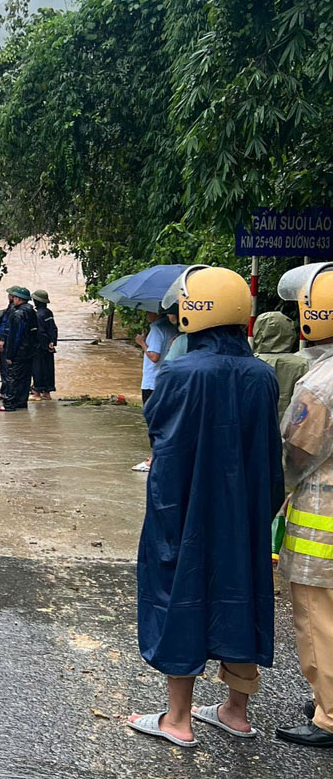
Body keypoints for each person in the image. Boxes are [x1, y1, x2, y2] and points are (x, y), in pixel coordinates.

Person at [127, 266, 283, 748]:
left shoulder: (180, 373)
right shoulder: (263, 375)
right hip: (246, 511)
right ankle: (236, 711)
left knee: (182, 593)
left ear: (193, 312)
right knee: (242, 592)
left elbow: (163, 439)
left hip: (189, 507)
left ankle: (178, 719)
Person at [274, 263, 333, 747]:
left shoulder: (319, 385)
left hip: (322, 523)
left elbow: (295, 452)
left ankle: (328, 714)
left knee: (318, 618)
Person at [132, 309, 179, 471]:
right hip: (167, 380)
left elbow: (154, 356)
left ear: (156, 313)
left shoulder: (157, 329)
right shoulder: (172, 328)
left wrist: (142, 343)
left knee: (153, 421)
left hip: (152, 382)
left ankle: (154, 458)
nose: (146, 314)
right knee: (166, 420)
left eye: (149, 311)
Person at [251, 310, 309, 421]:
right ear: (290, 332)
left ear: (258, 332)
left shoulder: (250, 364)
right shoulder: (303, 364)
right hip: (293, 426)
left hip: (257, 426)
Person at [0, 287, 38, 412]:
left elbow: (15, 336)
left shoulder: (18, 314)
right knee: (25, 378)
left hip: (19, 352)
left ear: (19, 299)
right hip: (29, 351)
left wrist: (10, 355)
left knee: (13, 377)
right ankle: (21, 402)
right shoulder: (31, 312)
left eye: (14, 297)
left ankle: (9, 404)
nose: (12, 299)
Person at [31, 289, 57, 400]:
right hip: (49, 346)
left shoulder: (37, 315)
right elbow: (53, 328)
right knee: (48, 368)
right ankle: (47, 392)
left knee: (38, 368)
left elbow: (40, 332)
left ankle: (37, 392)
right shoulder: (48, 313)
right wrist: (52, 342)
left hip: (39, 346)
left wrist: (44, 344)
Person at [0, 288, 16, 401]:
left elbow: (6, 327)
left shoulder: (12, 310)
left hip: (7, 343)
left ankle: (6, 392)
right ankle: (7, 391)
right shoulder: (13, 309)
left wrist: (2, 340)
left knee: (6, 369)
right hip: (12, 343)